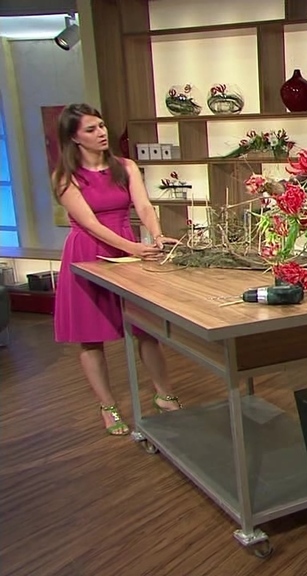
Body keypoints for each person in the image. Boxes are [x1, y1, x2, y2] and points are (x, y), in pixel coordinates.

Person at [52, 103, 183, 436]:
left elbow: (144, 205)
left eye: (101, 125)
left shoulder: (125, 166)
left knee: (146, 329)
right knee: (91, 338)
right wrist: (133, 248)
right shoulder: (66, 177)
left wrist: (156, 235)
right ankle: (108, 406)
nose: (101, 133)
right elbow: (90, 224)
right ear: (74, 137)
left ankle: (165, 394)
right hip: (88, 254)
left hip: (127, 250)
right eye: (91, 129)